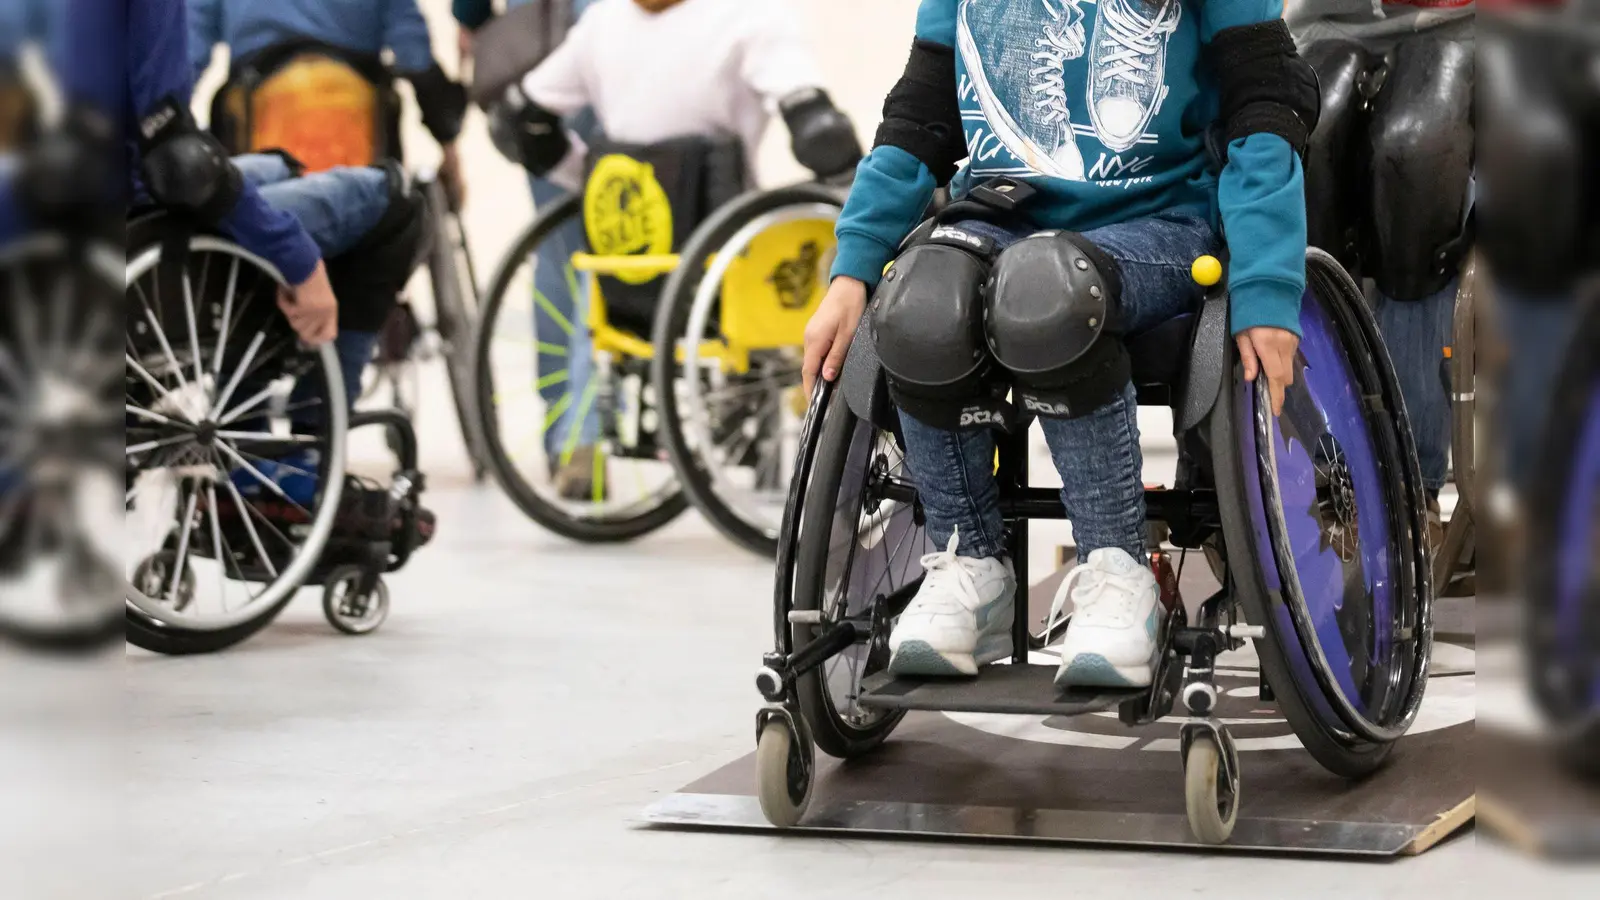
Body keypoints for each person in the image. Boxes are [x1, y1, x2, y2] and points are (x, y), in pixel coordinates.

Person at [802, 0, 1316, 686]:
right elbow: (918, 118)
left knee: (1045, 291)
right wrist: (853, 267)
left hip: (1160, 226)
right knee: (918, 303)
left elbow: (1266, 104)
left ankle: (1118, 573)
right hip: (1003, 214)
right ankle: (972, 569)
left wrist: (1267, 281)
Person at [486, 0, 862, 495]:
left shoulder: (603, 20)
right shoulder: (751, 16)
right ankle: (796, 418)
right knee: (822, 229)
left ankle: (583, 441)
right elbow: (821, 134)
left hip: (626, 275)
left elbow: (518, 121)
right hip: (718, 277)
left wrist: (593, 182)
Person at [1288, 0, 1474, 545]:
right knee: (1305, 145)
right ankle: (1307, 464)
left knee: (1417, 156)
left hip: (1481, 29)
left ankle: (1407, 482)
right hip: (1331, 23)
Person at [455, 0, 605, 495]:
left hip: (543, 54)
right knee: (613, 243)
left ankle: (566, 435)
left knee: (557, 251)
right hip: (625, 39)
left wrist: (472, 20)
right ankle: (593, 425)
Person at [187, 0, 468, 202]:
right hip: (360, 135)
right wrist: (448, 143)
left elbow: (188, 53)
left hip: (258, 127)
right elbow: (414, 55)